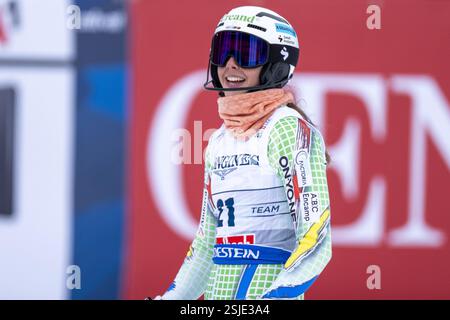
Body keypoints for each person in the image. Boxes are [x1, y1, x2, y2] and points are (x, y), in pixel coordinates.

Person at [156, 5, 332, 300]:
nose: (230, 65)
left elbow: (317, 239)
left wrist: (273, 300)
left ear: (277, 64)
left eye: (247, 54)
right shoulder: (220, 140)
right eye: (223, 51)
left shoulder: (287, 127)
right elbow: (206, 247)